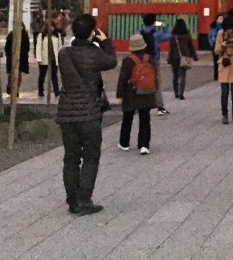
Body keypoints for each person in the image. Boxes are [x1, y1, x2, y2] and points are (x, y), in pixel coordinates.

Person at [56, 14, 117, 215]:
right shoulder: (95, 55)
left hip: (67, 113)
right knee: (91, 156)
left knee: (71, 157)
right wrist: (105, 41)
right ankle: (84, 199)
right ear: (92, 32)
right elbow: (112, 61)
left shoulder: (64, 54)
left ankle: (72, 200)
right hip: (90, 113)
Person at [116, 33, 158, 154]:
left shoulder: (128, 60)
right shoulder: (149, 59)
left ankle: (124, 143)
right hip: (146, 92)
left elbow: (122, 78)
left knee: (127, 117)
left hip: (131, 93)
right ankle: (144, 145)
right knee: (145, 118)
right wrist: (155, 89)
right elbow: (154, 76)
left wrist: (119, 94)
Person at [140, 13, 170, 113]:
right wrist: (164, 26)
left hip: (141, 61)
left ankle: (143, 104)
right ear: (154, 22)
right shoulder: (157, 34)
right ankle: (160, 107)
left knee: (141, 81)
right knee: (156, 84)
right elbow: (169, 36)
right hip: (154, 61)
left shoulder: (139, 33)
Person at [168, 17, 198, 99]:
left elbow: (171, 48)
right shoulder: (187, 35)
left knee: (175, 76)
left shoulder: (173, 36)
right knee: (183, 75)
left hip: (174, 57)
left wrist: (169, 59)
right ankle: (181, 94)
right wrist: (195, 56)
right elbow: (191, 47)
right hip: (184, 57)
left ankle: (176, 93)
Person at [34, 24, 61, 99]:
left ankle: (56, 91)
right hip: (44, 59)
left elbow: (59, 47)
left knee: (54, 75)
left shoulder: (57, 36)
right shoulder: (41, 36)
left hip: (53, 59)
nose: (51, 28)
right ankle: (40, 91)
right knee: (42, 75)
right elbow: (38, 47)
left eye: (52, 26)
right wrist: (39, 59)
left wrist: (60, 58)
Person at [3, 25, 30, 95]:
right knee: (11, 73)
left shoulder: (25, 35)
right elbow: (7, 46)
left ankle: (16, 89)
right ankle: (10, 87)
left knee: (19, 74)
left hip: (21, 58)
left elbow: (27, 47)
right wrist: (9, 54)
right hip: (12, 57)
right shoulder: (11, 35)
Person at [207, 12, 226, 80]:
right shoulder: (213, 26)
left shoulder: (224, 26)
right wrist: (211, 44)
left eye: (222, 19)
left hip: (222, 44)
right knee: (216, 60)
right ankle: (216, 75)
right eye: (220, 18)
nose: (221, 20)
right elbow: (209, 35)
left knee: (221, 59)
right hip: (214, 44)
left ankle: (221, 73)